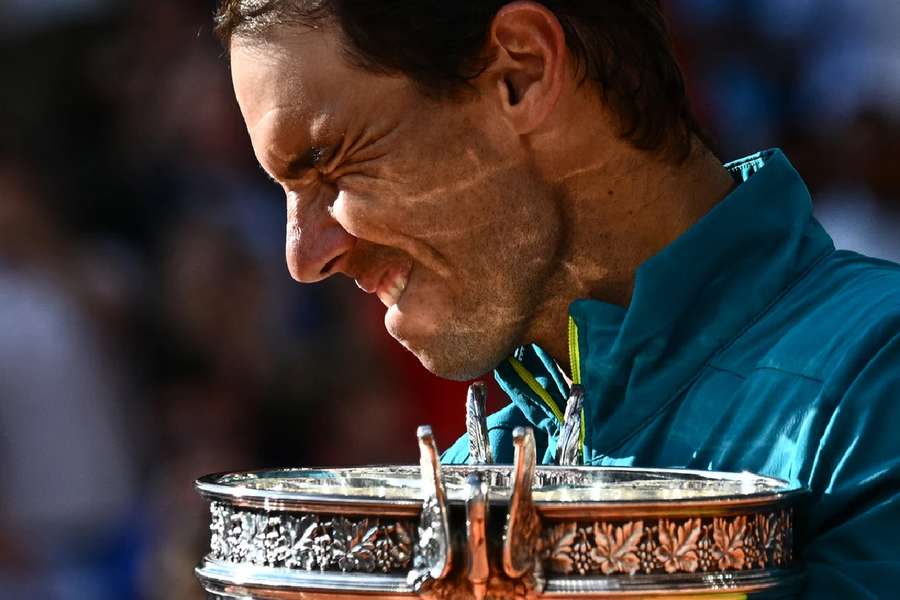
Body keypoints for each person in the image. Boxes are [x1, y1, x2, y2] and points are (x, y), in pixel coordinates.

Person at [212, 1, 900, 597]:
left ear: (523, 71)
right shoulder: (458, 498)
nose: (302, 256)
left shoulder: (878, 377)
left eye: (330, 161)